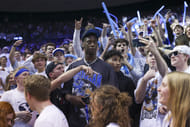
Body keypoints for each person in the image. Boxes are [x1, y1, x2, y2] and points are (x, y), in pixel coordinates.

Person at [64, 28, 117, 127]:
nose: (92, 44)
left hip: (99, 118)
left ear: (98, 45)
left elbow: (113, 93)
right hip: (76, 119)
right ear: (83, 44)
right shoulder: (74, 66)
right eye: (89, 42)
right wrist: (71, 98)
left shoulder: (106, 68)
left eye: (94, 42)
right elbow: (65, 91)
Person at [134, 38, 168, 127]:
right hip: (145, 122)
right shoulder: (142, 79)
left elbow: (164, 72)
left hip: (162, 122)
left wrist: (155, 51)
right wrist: (145, 80)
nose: (153, 57)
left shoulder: (165, 73)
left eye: (155, 56)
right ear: (146, 60)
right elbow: (138, 99)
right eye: (150, 55)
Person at [103, 49, 141, 127]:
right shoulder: (100, 79)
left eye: (120, 60)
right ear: (105, 62)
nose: (118, 63)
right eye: (114, 60)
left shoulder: (127, 81)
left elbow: (133, 106)